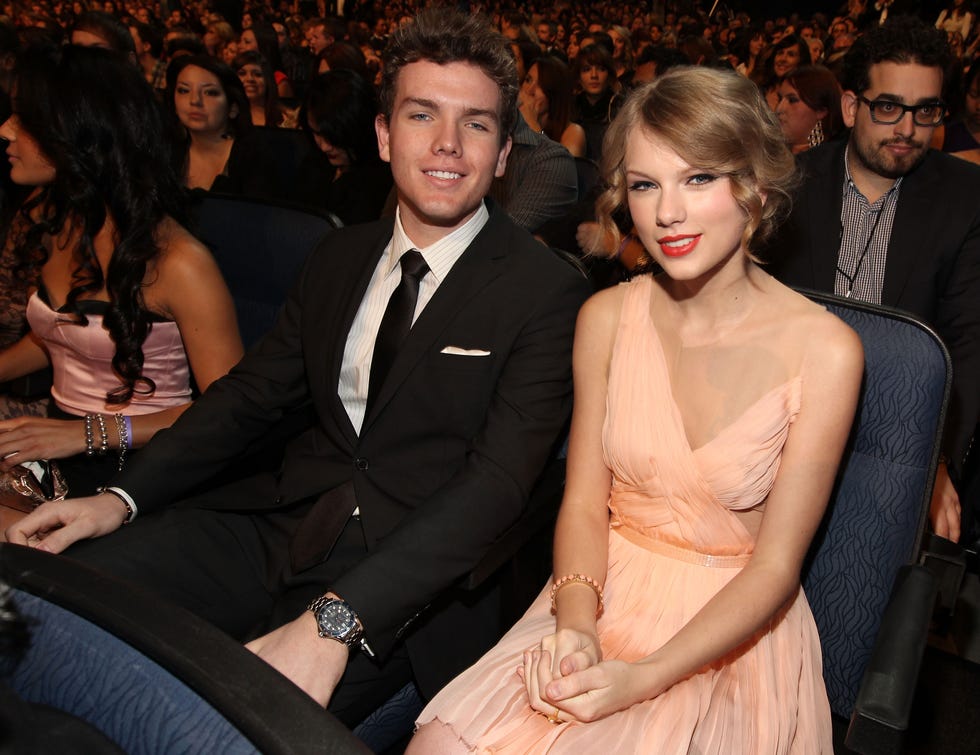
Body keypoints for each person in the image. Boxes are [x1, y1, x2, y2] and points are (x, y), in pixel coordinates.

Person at [7, 10, 590, 729]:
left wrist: (341, 618)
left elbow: (495, 487)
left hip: (407, 579)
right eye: (421, 114)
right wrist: (122, 498)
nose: (447, 144)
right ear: (383, 135)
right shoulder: (339, 254)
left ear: (504, 152)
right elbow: (248, 397)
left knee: (204, 725)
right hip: (278, 518)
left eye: (475, 124)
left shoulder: (547, 292)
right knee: (54, 610)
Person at [411, 65, 863, 754]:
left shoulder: (827, 351)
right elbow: (587, 503)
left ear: (757, 187)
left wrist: (641, 677)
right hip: (601, 588)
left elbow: (775, 569)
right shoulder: (604, 317)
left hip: (731, 629)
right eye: (646, 184)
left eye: (699, 178)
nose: (667, 213)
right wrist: (577, 625)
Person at [767, 16, 980, 544]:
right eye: (888, 107)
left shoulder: (965, 197)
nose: (907, 128)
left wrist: (934, 460)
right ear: (849, 106)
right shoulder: (789, 185)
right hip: (783, 421)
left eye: (925, 110)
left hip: (902, 435)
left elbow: (968, 343)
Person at [0, 45, 241, 499]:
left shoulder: (181, 263)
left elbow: (230, 410)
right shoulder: (58, 222)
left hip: (144, 464)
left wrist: (87, 433)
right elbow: (63, 334)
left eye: (23, 119)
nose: (5, 131)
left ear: (76, 137)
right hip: (61, 439)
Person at [301, 69, 392, 224]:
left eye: (333, 138)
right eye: (316, 133)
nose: (324, 147)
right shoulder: (313, 162)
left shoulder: (377, 183)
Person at [520, 57, 587, 157]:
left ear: (554, 94)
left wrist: (533, 124)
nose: (530, 90)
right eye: (528, 80)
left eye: (540, 85)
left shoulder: (574, 132)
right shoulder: (514, 124)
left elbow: (559, 168)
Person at [774, 65, 844, 152]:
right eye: (780, 99)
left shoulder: (830, 159)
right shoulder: (769, 151)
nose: (779, 109)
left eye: (792, 100)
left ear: (821, 111)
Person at [233, 50, 294, 128]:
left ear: (268, 81)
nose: (250, 79)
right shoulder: (223, 115)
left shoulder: (286, 119)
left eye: (258, 75)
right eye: (242, 74)